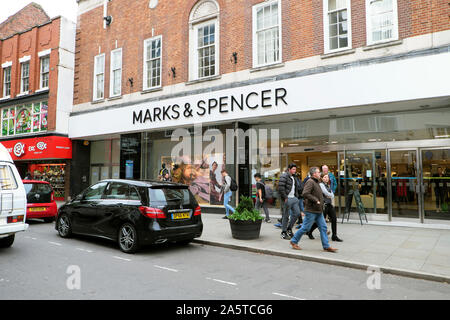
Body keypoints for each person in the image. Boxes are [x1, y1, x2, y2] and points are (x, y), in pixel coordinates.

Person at [289, 167, 338, 253]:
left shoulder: (317, 182)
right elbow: (305, 193)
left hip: (318, 210)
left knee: (323, 227)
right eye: (318, 172)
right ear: (314, 174)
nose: (320, 174)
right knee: (305, 228)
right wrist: (316, 200)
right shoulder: (310, 182)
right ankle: (294, 241)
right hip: (311, 210)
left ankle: (326, 246)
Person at [307, 174, 343, 242]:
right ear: (322, 178)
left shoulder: (328, 185)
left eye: (328, 177)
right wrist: (330, 195)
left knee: (334, 219)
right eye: (325, 177)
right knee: (319, 221)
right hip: (324, 205)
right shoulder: (321, 185)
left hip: (329, 205)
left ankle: (334, 236)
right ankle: (309, 231)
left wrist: (330, 195)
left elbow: (332, 195)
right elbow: (326, 193)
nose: (327, 178)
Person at [277, 163, 301, 240]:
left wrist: (296, 197)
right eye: (293, 169)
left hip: (294, 198)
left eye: (295, 169)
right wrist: (285, 197)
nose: (295, 171)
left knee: (297, 213)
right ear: (289, 169)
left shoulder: (294, 177)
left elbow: (296, 187)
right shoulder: (284, 176)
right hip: (287, 199)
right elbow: (280, 187)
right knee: (286, 216)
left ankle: (289, 228)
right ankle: (283, 232)